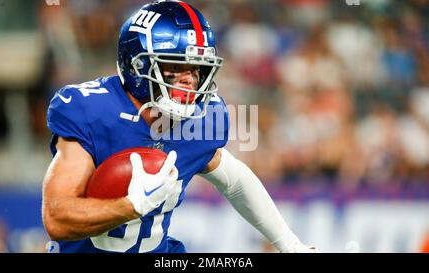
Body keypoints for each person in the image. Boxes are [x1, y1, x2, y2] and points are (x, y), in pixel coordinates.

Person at [42, 0, 316, 253]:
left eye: (196, 69)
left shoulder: (200, 119)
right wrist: (131, 206)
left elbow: (235, 181)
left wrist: (290, 245)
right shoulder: (93, 111)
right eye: (177, 66)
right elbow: (57, 219)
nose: (190, 81)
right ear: (138, 66)